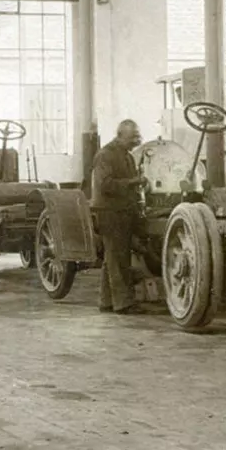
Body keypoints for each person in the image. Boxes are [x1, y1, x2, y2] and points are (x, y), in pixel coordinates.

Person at [90, 119, 160, 315]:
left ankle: (106, 301)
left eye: (137, 137)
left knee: (112, 258)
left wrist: (140, 184)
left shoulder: (127, 156)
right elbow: (105, 185)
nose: (136, 141)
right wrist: (132, 182)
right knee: (118, 259)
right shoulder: (105, 155)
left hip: (123, 211)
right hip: (110, 212)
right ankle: (123, 304)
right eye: (132, 138)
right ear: (120, 135)